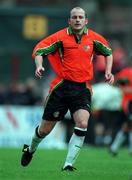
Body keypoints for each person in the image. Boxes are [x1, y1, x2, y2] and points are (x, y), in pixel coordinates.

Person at [20, 7, 114, 171]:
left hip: (82, 88)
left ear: (86, 21)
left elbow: (108, 52)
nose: (77, 20)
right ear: (69, 21)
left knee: (83, 123)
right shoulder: (60, 37)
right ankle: (30, 149)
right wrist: (39, 66)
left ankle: (68, 164)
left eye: (80, 17)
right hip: (61, 88)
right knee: (45, 130)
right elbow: (39, 50)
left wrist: (108, 71)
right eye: (74, 17)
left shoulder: (93, 38)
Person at [109, 67, 132, 156]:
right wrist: (123, 88)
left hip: (127, 103)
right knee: (129, 125)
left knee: (127, 126)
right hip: (128, 103)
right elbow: (115, 82)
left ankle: (114, 148)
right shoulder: (126, 71)